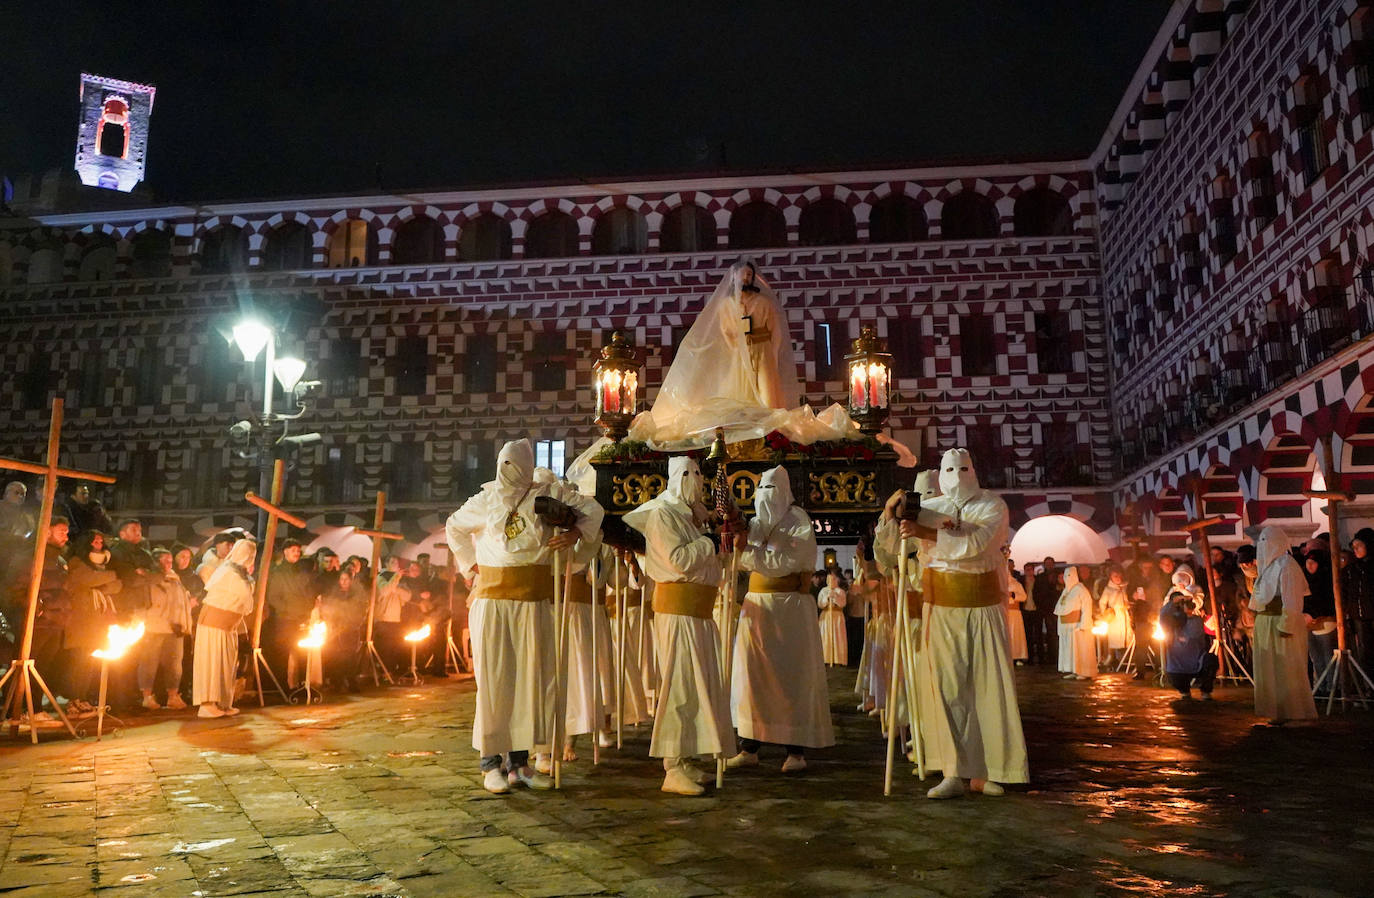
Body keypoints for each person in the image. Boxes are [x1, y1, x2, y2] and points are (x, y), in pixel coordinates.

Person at [445, 439, 602, 794]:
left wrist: (574, 531)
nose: (509, 473)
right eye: (505, 464)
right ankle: (490, 763)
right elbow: (454, 526)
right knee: (495, 681)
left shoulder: (549, 495)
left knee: (530, 682)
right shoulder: (485, 501)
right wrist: (471, 566)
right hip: (494, 604)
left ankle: (519, 763)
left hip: (533, 604)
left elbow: (593, 512)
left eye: (516, 465)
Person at [902, 448, 1028, 799]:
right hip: (942, 608)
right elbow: (893, 544)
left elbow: (974, 543)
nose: (956, 474)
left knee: (987, 686)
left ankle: (990, 768)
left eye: (963, 468)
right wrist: (891, 517)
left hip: (983, 607)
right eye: (950, 468)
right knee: (947, 687)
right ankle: (953, 771)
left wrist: (923, 533)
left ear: (973, 470)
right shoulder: (933, 509)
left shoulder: (992, 506)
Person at [623, 456, 734, 796]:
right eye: (690, 474)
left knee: (698, 687)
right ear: (676, 478)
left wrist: (719, 542)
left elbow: (712, 563)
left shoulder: (693, 516)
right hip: (678, 613)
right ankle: (671, 765)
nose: (697, 480)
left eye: (699, 474)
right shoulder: (663, 515)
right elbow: (679, 560)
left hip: (699, 614)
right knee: (680, 685)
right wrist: (710, 543)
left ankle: (686, 757)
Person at [727, 466, 834, 773]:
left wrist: (746, 555)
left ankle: (795, 750)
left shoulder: (798, 521)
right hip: (757, 608)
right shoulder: (757, 524)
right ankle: (750, 745)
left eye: (771, 489)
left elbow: (788, 561)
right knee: (752, 676)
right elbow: (744, 548)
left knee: (790, 678)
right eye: (761, 488)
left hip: (789, 610)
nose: (764, 495)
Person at [631, 259, 802, 446]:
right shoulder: (726, 305)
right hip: (738, 355)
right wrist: (737, 349)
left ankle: (772, 434)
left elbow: (775, 332)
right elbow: (725, 332)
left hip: (762, 352)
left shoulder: (764, 303)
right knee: (738, 391)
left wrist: (772, 353)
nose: (746, 277)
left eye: (750, 275)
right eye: (743, 274)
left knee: (767, 392)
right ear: (734, 276)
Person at [1248, 526, 1317, 725]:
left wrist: (1287, 624)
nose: (1263, 546)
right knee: (1270, 669)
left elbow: (1291, 598)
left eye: (1266, 541)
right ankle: (1277, 710)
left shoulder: (1287, 565)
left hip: (1281, 622)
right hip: (1266, 623)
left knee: (1288, 667)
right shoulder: (1266, 567)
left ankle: (1295, 711)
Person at [192, 538, 257, 718]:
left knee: (227, 665)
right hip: (214, 624)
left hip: (229, 627)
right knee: (212, 663)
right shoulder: (228, 571)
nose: (251, 558)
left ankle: (223, 702)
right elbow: (243, 595)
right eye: (249, 554)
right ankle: (207, 704)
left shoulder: (241, 574)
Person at [61, 529, 122, 714]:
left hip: (97, 621)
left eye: (100, 541)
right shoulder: (77, 562)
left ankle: (84, 697)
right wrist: (109, 577)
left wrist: (102, 582)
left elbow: (118, 586)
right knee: (78, 662)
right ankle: (73, 699)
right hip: (80, 620)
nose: (98, 544)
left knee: (90, 663)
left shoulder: (101, 566)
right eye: (94, 540)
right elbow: (88, 579)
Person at [139, 547, 195, 710]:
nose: (168, 564)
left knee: (174, 663)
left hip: (176, 628)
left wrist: (184, 623)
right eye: (164, 560)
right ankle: (147, 696)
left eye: (170, 560)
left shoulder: (176, 578)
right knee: (149, 662)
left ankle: (173, 696)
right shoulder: (150, 578)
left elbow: (180, 603)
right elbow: (156, 604)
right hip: (155, 627)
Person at [264, 538, 318, 689]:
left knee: (303, 652)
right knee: (283, 654)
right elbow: (273, 597)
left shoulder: (302, 571)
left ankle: (303, 685)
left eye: (298, 551)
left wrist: (308, 608)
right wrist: (287, 610)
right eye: (293, 550)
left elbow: (309, 592)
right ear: (285, 551)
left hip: (301, 619)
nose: (296, 553)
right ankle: (281, 687)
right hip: (285, 619)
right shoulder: (278, 572)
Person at [1159, 584, 1217, 700]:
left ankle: (1205, 691)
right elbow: (1163, 616)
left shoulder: (1196, 621)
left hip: (1196, 663)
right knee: (1174, 673)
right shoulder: (1169, 625)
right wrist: (1173, 603)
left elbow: (1193, 634)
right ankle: (1184, 691)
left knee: (1211, 660)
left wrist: (1187, 612)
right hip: (1178, 667)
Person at [1301, 549, 1338, 694]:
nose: (1310, 566)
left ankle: (1332, 688)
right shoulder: (1305, 580)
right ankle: (1320, 687)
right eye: (1308, 562)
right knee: (1316, 657)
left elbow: (1327, 601)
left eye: (1313, 563)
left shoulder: (1326, 579)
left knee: (1328, 656)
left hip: (1325, 622)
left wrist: (1313, 613)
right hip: (1308, 623)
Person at [1053, 565, 1095, 680]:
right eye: (1065, 575)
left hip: (1076, 625)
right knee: (1070, 649)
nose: (1067, 578)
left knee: (1080, 649)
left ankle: (1083, 671)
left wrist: (1084, 624)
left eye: (1069, 575)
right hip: (1066, 626)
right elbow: (1061, 609)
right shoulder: (1066, 591)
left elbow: (1087, 607)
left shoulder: (1080, 589)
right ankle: (1073, 669)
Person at [1341, 528, 1374, 672]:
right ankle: (1368, 687)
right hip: (1359, 617)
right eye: (1353, 547)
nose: (1355, 550)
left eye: (1358, 546)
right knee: (1364, 653)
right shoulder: (1352, 569)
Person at [1030, 556, 1062, 665]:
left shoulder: (1058, 576)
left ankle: (1055, 656)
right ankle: (1043, 657)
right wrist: (1040, 604)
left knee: (1054, 633)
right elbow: (1035, 592)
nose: (1049, 565)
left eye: (1050, 563)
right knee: (1042, 633)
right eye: (1047, 563)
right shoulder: (1040, 577)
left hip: (1054, 608)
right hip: (1042, 608)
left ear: (1053, 564)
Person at [816, 572, 848, 666]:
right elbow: (820, 604)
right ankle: (826, 658)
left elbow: (843, 604)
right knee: (826, 636)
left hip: (837, 616)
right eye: (829, 580)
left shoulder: (840, 591)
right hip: (826, 616)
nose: (831, 581)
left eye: (833, 579)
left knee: (837, 637)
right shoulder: (823, 591)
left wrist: (835, 597)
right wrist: (827, 598)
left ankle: (838, 659)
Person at [1006, 559, 1029, 666]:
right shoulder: (999, 585)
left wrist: (1013, 596)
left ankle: (1018, 656)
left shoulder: (1017, 584)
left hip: (1015, 613)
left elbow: (1024, 597)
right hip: (1005, 613)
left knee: (1016, 635)